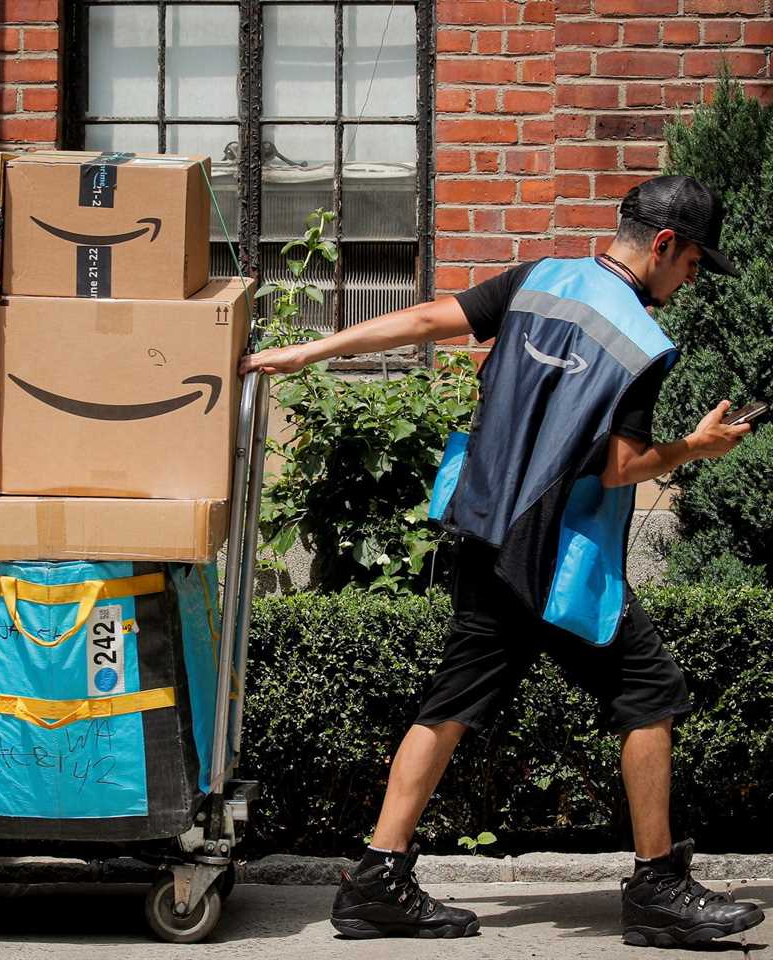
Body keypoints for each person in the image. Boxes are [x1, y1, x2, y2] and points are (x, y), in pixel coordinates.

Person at [238, 175, 767, 947]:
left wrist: (308, 350)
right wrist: (697, 446)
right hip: (557, 555)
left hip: (485, 529)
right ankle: (657, 888)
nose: (689, 282)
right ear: (663, 245)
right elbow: (619, 467)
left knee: (452, 703)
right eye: (691, 264)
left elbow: (425, 318)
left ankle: (376, 881)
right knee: (650, 692)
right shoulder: (642, 342)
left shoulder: (539, 278)